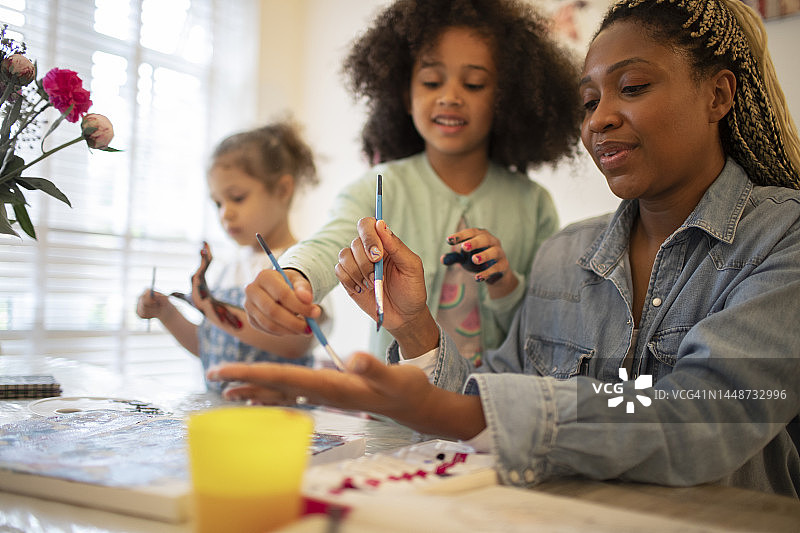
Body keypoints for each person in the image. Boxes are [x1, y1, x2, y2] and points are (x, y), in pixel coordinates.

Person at [209, 0, 800, 497]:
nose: (600, 120)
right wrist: (412, 328)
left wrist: (444, 410)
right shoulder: (567, 254)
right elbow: (496, 379)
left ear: (719, 95)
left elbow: (708, 417)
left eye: (634, 87)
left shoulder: (783, 239)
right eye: (588, 102)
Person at [243, 0, 583, 365]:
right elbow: (330, 244)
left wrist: (505, 284)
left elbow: (547, 328)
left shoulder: (533, 205)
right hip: (398, 410)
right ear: (405, 94)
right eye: (432, 81)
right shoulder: (378, 187)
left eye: (474, 83)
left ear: (503, 99)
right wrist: (294, 275)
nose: (450, 97)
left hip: (494, 412)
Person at [137, 120, 328, 392]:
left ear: (283, 190)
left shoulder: (303, 264)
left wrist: (212, 308)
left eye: (236, 197)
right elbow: (210, 346)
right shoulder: (229, 269)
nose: (225, 213)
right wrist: (167, 314)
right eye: (218, 203)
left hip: (279, 421)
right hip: (225, 417)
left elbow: (295, 343)